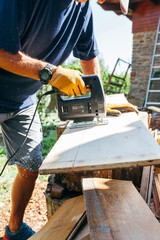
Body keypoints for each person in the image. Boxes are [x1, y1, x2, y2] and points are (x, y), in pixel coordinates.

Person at [0, 0, 129, 239]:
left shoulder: (82, 10)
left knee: (30, 167)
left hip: (21, 100)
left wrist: (100, 101)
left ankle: (13, 230)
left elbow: (89, 56)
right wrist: (54, 73)